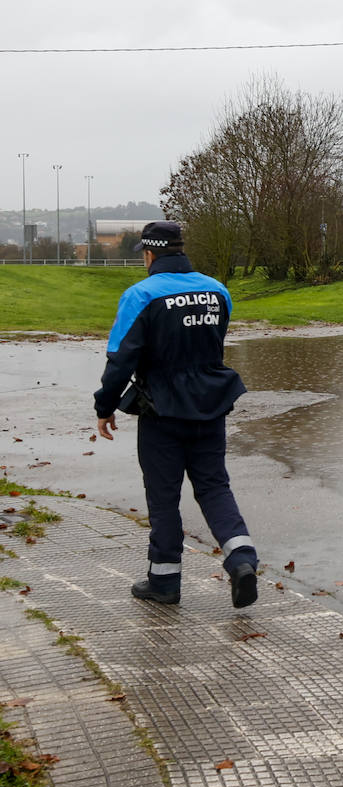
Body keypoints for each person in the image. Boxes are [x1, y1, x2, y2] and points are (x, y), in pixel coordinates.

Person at [93, 221, 259, 608]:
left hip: (162, 411)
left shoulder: (141, 295)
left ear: (149, 255)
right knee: (214, 486)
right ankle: (242, 561)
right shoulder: (217, 290)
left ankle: (164, 582)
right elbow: (213, 342)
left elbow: (120, 360)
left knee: (164, 496)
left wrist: (105, 406)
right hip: (211, 405)